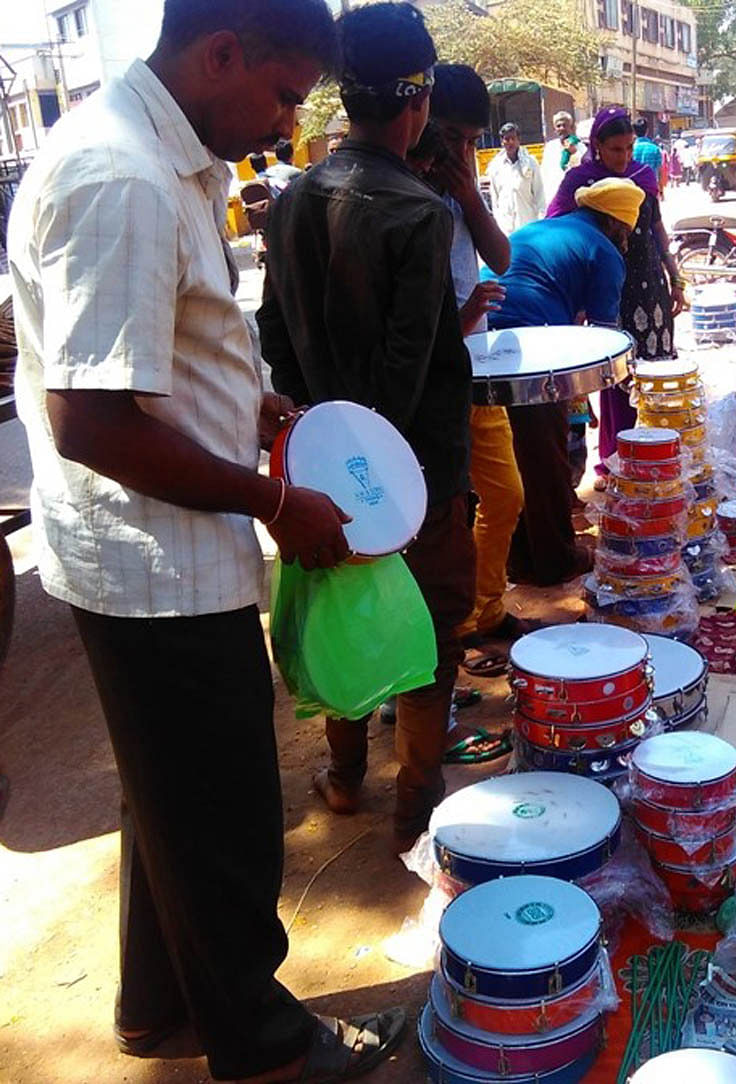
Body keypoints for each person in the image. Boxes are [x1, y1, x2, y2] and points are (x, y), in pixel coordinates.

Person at [8, 0, 412, 1079]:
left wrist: (255, 407)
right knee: (226, 814)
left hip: (152, 553)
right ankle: (265, 1043)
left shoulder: (152, 156)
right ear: (220, 52)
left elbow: (161, 356)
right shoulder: (122, 178)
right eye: (282, 94)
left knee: (169, 795)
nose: (287, 124)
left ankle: (159, 1003)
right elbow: (90, 419)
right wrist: (278, 504)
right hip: (154, 569)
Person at [257, 3, 475, 842]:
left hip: (314, 469)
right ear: (417, 99)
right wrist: (373, 456)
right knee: (430, 631)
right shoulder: (419, 213)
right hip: (414, 470)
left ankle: (346, 778)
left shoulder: (290, 202)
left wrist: (321, 435)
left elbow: (273, 333)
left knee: (343, 617)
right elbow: (407, 362)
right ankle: (416, 804)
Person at [426, 65, 539, 689]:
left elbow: (501, 257)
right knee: (438, 516)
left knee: (505, 496)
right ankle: (447, 635)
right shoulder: (402, 194)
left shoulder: (461, 188)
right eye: (452, 137)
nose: (461, 152)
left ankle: (483, 610)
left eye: (471, 140)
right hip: (428, 382)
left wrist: (469, 193)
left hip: (476, 369)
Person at [492, 177, 641, 585]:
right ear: (615, 224)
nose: (627, 241)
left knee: (514, 455)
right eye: (627, 232)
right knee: (546, 454)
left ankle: (520, 558)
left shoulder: (547, 228)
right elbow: (604, 340)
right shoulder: (605, 251)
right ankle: (557, 558)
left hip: (481, 334)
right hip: (532, 340)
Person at [547, 107, 685, 485]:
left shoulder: (642, 177)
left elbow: (657, 229)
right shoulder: (581, 182)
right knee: (616, 373)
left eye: (629, 148)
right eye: (615, 149)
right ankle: (617, 459)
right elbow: (559, 228)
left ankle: (655, 455)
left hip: (650, 286)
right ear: (597, 147)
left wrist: (676, 279)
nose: (624, 158)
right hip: (608, 286)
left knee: (655, 373)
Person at [486, 121, 546, 234]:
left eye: (513, 138)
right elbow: (495, 198)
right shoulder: (495, 166)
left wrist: (541, 220)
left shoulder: (531, 163)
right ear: (502, 141)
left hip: (527, 222)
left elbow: (540, 194)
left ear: (519, 140)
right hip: (505, 225)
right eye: (507, 139)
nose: (510, 142)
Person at [540, 109, 583, 203]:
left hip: (574, 198)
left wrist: (574, 153)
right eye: (558, 126)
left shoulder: (580, 147)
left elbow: (584, 168)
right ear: (555, 129)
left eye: (565, 125)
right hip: (553, 196)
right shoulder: (550, 147)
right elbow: (544, 174)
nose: (562, 128)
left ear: (571, 127)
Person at [631, 116, 663, 193]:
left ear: (634, 132)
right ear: (647, 131)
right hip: (651, 188)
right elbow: (659, 171)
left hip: (633, 189)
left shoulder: (630, 149)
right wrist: (661, 189)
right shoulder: (655, 149)